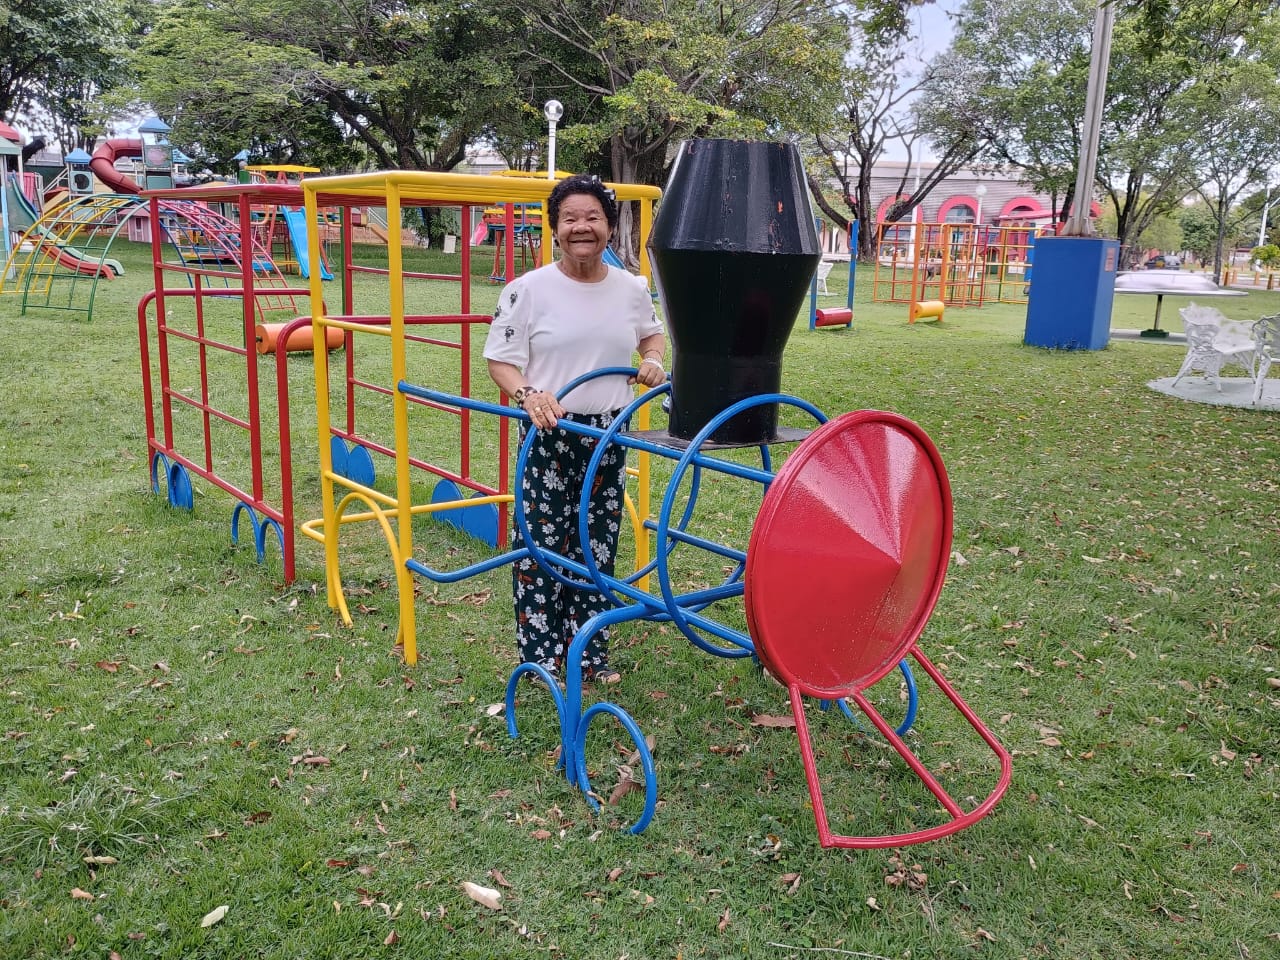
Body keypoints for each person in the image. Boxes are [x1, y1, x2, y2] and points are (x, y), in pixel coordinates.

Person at [484, 175, 666, 684]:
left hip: (609, 435)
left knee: (596, 546)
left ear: (610, 227)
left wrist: (652, 357)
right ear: (555, 228)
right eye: (570, 219)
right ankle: (541, 659)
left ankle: (587, 655)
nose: (581, 227)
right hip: (549, 432)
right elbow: (500, 361)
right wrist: (528, 394)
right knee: (540, 546)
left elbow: (651, 333)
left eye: (592, 218)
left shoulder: (630, 288)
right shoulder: (528, 290)